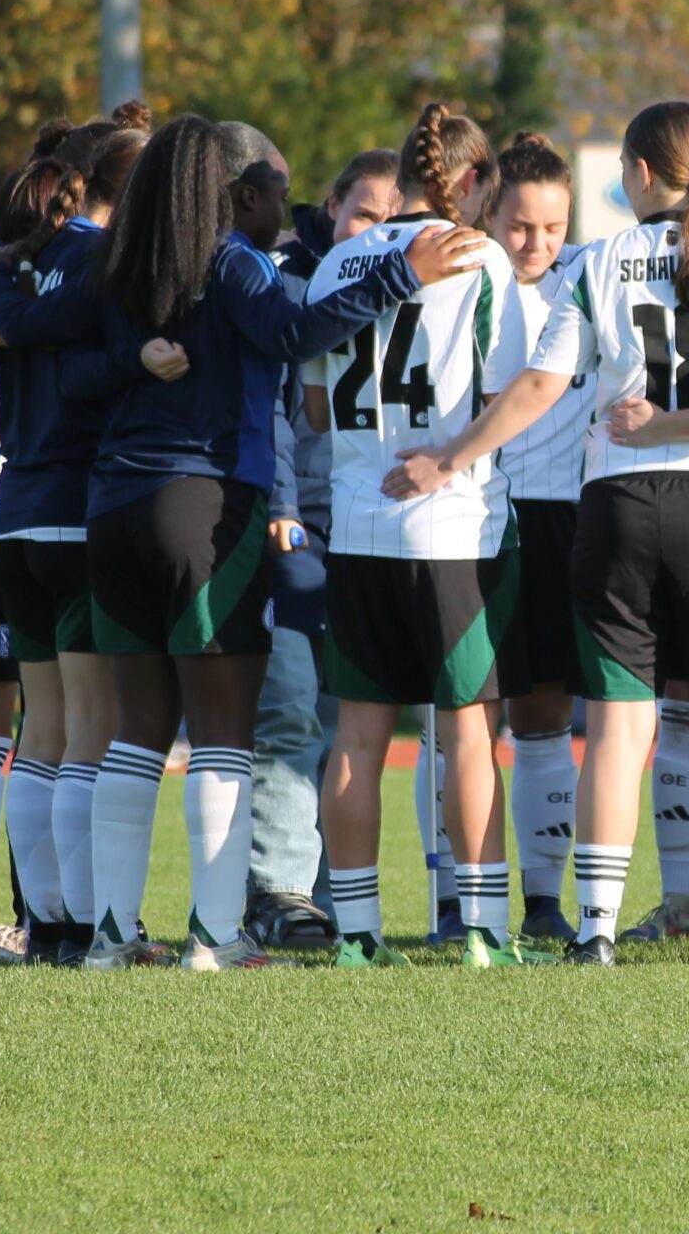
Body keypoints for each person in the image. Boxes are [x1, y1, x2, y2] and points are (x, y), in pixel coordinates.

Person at [383, 100, 689, 966]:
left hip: (620, 507)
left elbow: (541, 388)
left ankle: (594, 929)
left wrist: (450, 455)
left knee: (619, 727)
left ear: (635, 173)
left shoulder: (601, 261)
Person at [77, 114, 482, 972]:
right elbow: (294, 335)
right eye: (276, 194)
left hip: (111, 507)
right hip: (202, 506)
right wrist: (403, 273)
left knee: (137, 732)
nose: (285, 211)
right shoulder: (228, 261)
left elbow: (76, 373)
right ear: (239, 195)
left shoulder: (119, 263)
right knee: (224, 732)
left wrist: (134, 364)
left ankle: (110, 937)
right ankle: (218, 938)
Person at [0, 100, 153, 965]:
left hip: (13, 518)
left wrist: (12, 325)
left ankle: (51, 924)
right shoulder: (103, 264)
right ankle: (81, 925)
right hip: (76, 515)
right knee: (91, 727)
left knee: (44, 732)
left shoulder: (32, 262)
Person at [306, 102, 544, 969]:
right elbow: (513, 396)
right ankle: (482, 928)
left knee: (358, 737)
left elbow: (312, 394)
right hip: (454, 529)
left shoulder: (338, 260)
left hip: (358, 525)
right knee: (470, 730)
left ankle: (359, 936)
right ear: (473, 183)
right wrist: (445, 457)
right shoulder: (480, 261)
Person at [237, 147, 400, 954]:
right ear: (332, 206)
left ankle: (343, 897)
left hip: (377, 527)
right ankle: (279, 892)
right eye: (365, 213)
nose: (377, 232)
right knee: (290, 706)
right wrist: (281, 506)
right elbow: (267, 407)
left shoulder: (419, 284)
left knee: (352, 719)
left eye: (392, 220)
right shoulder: (285, 280)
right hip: (302, 524)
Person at [482, 132, 588, 942]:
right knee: (469, 713)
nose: (537, 244)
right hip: (481, 517)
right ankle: (456, 899)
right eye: (522, 226)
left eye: (553, 228)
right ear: (492, 213)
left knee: (548, 712)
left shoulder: (590, 277)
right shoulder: (467, 285)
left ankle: (545, 900)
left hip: (569, 518)